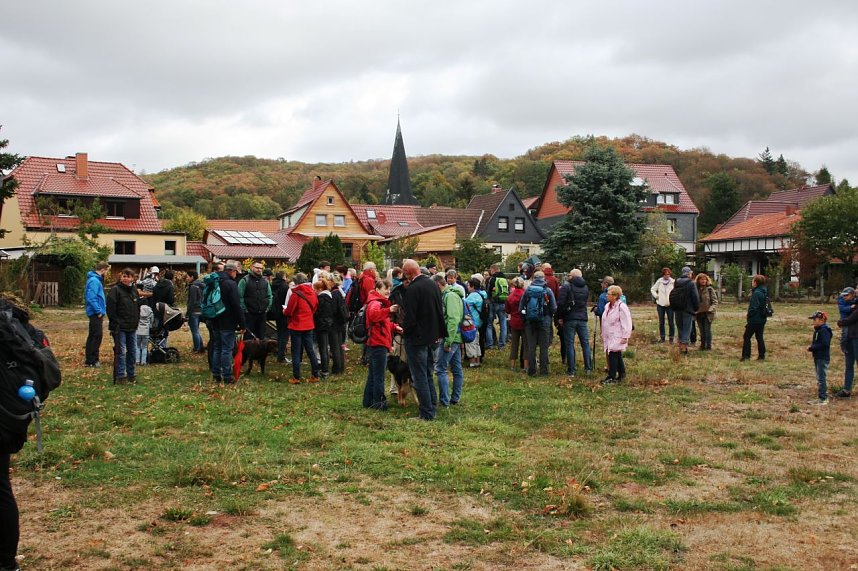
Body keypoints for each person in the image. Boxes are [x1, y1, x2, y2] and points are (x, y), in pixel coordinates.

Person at [401, 259, 445, 421]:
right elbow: (439, 310)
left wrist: (404, 331)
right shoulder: (433, 284)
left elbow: (410, 317)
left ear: (408, 272)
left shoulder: (413, 289)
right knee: (427, 373)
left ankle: (427, 412)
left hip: (417, 339)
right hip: (432, 336)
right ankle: (431, 404)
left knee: (419, 376)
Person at [363, 278, 401, 410]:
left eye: (389, 289)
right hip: (378, 342)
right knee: (379, 375)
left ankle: (368, 401)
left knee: (373, 374)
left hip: (376, 341)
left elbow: (382, 322)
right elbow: (374, 316)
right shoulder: (376, 303)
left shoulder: (377, 302)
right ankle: (379, 403)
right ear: (377, 289)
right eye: (385, 289)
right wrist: (388, 310)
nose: (388, 291)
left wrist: (395, 327)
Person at [210, 261, 246, 384]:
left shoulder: (215, 282)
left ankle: (216, 374)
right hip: (228, 321)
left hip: (215, 319)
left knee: (217, 347)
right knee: (227, 349)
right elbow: (236, 305)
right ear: (232, 271)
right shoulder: (230, 284)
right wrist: (242, 323)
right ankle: (227, 375)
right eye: (236, 272)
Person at [284, 273, 321, 383]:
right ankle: (315, 375)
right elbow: (315, 307)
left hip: (296, 325)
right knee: (310, 350)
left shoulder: (296, 294)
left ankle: (296, 377)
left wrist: (284, 311)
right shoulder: (312, 292)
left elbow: (289, 311)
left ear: (296, 282)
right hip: (309, 324)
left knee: (296, 352)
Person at [106, 268, 141, 384]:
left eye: (128, 276)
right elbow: (110, 309)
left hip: (132, 326)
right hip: (120, 327)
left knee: (132, 351)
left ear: (132, 278)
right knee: (120, 352)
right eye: (124, 276)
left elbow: (137, 307)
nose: (125, 278)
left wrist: (137, 320)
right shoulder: (115, 290)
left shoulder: (134, 290)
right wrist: (116, 323)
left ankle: (131, 374)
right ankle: (121, 375)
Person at [434, 274, 465, 406]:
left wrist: (448, 341)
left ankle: (444, 400)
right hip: (454, 337)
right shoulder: (448, 295)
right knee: (456, 369)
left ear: (437, 285)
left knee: (440, 369)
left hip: (451, 337)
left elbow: (453, 320)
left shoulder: (450, 296)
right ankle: (455, 398)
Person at [520, 270, 557, 376]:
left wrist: (525, 318)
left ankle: (532, 370)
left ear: (534, 278)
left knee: (531, 347)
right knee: (543, 347)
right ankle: (543, 371)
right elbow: (554, 307)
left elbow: (521, 307)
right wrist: (549, 316)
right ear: (543, 278)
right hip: (544, 321)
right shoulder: (548, 291)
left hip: (530, 321)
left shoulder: (528, 290)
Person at [557, 268, 592, 377]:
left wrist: (560, 317)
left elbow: (561, 303)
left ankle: (571, 370)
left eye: (569, 275)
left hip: (569, 318)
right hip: (582, 317)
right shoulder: (585, 287)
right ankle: (588, 368)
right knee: (585, 344)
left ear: (572, 276)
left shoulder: (566, 286)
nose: (568, 276)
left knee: (569, 344)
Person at [601, 285, 633, 384]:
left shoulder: (621, 307)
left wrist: (625, 336)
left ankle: (612, 376)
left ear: (615, 296)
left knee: (613, 355)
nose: (607, 296)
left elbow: (627, 322)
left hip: (618, 335)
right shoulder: (607, 306)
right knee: (617, 354)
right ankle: (622, 374)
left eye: (609, 294)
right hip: (609, 335)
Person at [238, 262, 273, 340]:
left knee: (261, 337)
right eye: (257, 268)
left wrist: (267, 308)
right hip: (249, 314)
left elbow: (269, 295)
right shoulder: (244, 280)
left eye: (261, 268)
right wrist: (245, 310)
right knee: (249, 338)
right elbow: (240, 297)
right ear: (252, 267)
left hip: (262, 314)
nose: (259, 270)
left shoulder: (265, 281)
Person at [84, 261, 109, 367]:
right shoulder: (94, 280)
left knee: (93, 335)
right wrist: (98, 311)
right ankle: (93, 360)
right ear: (103, 270)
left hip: (95, 312)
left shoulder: (95, 280)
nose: (107, 273)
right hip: (95, 312)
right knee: (97, 335)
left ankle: (90, 359)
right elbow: (91, 297)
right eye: (107, 271)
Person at [741, 274, 769, 361]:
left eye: (753, 281)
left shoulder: (756, 293)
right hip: (762, 318)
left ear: (756, 283)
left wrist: (749, 315)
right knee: (759, 336)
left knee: (746, 336)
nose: (752, 282)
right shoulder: (764, 291)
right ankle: (761, 355)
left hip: (755, 319)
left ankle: (746, 356)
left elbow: (754, 307)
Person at [807, 310, 832, 405]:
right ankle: (821, 396)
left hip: (822, 357)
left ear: (821, 320)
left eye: (815, 319)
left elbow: (825, 344)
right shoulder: (818, 330)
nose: (813, 321)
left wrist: (812, 348)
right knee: (819, 377)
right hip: (818, 356)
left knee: (821, 378)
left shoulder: (824, 330)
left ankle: (823, 398)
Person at [313, 278, 337, 378]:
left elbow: (317, 312)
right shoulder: (330, 297)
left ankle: (324, 370)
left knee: (322, 348)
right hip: (328, 324)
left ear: (320, 289)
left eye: (315, 289)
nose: (314, 291)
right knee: (325, 347)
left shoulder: (321, 298)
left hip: (321, 325)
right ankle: (325, 368)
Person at [836, 294, 858, 398]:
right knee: (849, 364)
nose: (856, 290)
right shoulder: (852, 305)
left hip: (856, 337)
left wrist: (841, 322)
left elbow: (851, 319)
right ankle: (846, 389)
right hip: (849, 337)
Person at [672, 266, 699, 353]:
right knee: (687, 328)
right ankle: (684, 346)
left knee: (680, 327)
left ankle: (680, 345)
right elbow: (695, 296)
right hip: (688, 309)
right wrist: (696, 308)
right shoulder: (691, 283)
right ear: (689, 273)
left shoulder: (676, 281)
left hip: (677, 308)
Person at [505, 276, 528, 372]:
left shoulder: (510, 297)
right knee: (526, 344)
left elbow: (507, 310)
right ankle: (526, 366)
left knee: (514, 344)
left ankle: (512, 366)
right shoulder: (526, 295)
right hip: (525, 321)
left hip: (514, 322)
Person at [329, 273, 349, 374]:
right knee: (339, 345)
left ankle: (336, 368)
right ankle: (340, 366)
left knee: (335, 346)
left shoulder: (333, 294)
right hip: (341, 322)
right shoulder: (340, 292)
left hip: (335, 323)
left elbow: (333, 310)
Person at [485, 263, 508, 350]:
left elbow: (488, 291)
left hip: (493, 303)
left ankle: (490, 344)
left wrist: (488, 301)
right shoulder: (504, 279)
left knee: (489, 324)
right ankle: (502, 345)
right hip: (503, 303)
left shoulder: (492, 279)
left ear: (492, 270)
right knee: (503, 324)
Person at [464, 277, 486, 367]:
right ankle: (477, 361)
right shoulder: (482, 294)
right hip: (479, 321)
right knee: (477, 342)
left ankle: (472, 362)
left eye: (468, 285)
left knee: (470, 342)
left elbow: (464, 304)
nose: (467, 287)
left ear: (472, 286)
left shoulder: (472, 296)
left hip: (472, 322)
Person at [650, 268, 676, 344]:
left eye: (668, 274)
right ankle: (662, 338)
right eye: (666, 274)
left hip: (670, 305)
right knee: (661, 322)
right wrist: (656, 296)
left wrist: (674, 298)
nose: (667, 275)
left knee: (671, 322)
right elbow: (652, 289)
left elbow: (676, 291)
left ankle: (671, 338)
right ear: (663, 275)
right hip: (660, 304)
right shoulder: (659, 281)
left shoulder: (673, 282)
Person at [270, 271, 291, 363]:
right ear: (284, 277)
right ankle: (281, 355)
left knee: (279, 333)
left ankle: (278, 352)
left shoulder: (272, 285)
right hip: (284, 313)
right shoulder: (285, 286)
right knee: (284, 335)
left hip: (276, 312)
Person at [694, 273, 718, 351]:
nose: (703, 281)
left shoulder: (709, 289)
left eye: (705, 279)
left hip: (708, 314)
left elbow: (715, 302)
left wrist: (711, 309)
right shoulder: (695, 289)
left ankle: (708, 346)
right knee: (701, 331)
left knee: (707, 330)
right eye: (702, 279)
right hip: (699, 313)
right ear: (698, 280)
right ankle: (702, 345)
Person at [186, 271, 205, 353]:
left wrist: (187, 313)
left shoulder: (193, 286)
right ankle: (201, 346)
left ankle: (197, 348)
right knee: (196, 330)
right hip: (201, 309)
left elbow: (192, 301)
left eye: (188, 276)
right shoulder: (202, 285)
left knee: (195, 331)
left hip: (194, 311)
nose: (187, 278)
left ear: (192, 277)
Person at [837, 287, 856, 354]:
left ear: (852, 295)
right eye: (844, 295)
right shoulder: (841, 300)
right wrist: (850, 307)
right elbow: (842, 308)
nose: (844, 296)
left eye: (847, 295)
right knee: (845, 333)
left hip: (852, 320)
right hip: (844, 320)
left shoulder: (855, 300)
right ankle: (843, 346)